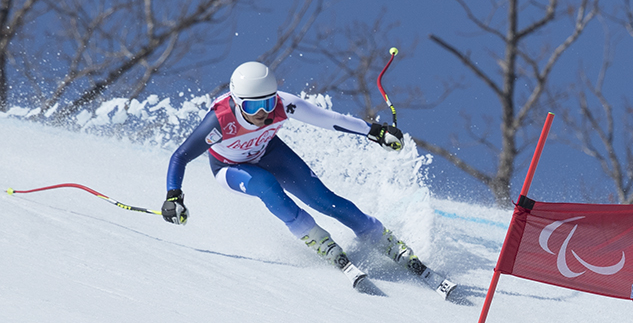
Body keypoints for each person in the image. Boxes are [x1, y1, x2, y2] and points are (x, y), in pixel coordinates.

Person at [161, 60, 432, 289]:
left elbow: (329, 119)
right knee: (267, 186)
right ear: (237, 102)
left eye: (268, 102)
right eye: (254, 107)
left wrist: (375, 131)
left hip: (269, 153)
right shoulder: (219, 121)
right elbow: (180, 156)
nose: (264, 113)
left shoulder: (282, 105)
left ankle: (381, 238)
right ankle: (317, 238)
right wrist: (174, 195)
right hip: (230, 169)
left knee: (323, 199)